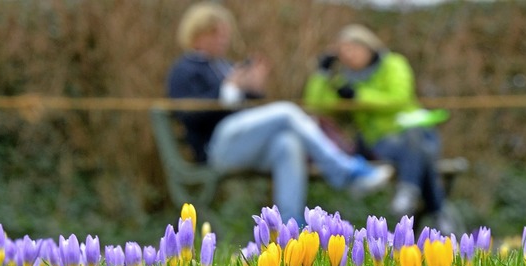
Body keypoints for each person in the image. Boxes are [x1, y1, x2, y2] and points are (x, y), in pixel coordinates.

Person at [166, 2, 393, 224]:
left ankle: (288, 229)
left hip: (240, 144)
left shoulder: (223, 65)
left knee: (287, 144)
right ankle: (345, 170)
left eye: (224, 33)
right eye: (216, 33)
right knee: (286, 112)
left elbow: (241, 111)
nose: (223, 39)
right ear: (197, 33)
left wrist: (252, 91)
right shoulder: (185, 69)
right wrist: (229, 90)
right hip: (216, 148)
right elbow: (190, 115)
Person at [304, 24, 455, 233]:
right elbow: (318, 107)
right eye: (342, 51)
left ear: (368, 46)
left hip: (410, 132)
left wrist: (359, 97)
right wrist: (321, 75)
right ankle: (436, 211)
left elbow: (399, 98)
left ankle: (410, 192)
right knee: (422, 153)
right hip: (377, 143)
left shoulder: (393, 64)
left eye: (352, 48)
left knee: (416, 143)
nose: (348, 55)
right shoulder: (344, 81)